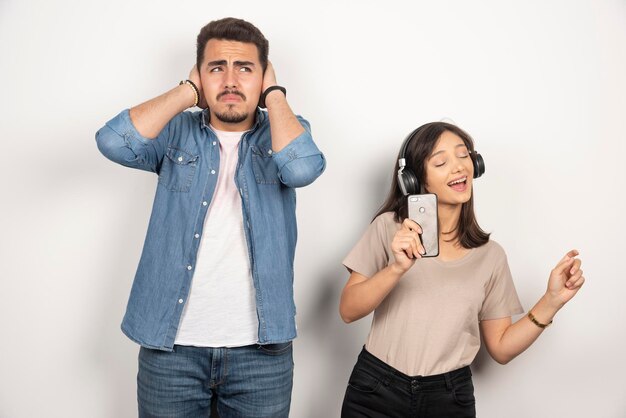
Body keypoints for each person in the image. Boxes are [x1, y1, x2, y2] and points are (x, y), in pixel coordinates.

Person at [95, 17, 325, 417]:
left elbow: (303, 169)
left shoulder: (286, 132)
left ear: (265, 77)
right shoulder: (175, 133)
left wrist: (274, 95)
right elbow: (113, 141)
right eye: (217, 67)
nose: (231, 80)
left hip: (261, 353)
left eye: (245, 69)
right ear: (199, 75)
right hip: (171, 350)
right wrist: (185, 93)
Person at [338, 122, 584, 417]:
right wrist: (396, 268)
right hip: (376, 389)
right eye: (441, 162)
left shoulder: (491, 257)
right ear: (416, 181)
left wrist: (552, 301)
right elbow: (348, 311)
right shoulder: (389, 229)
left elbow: (501, 348)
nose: (458, 168)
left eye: (463, 156)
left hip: (448, 398)